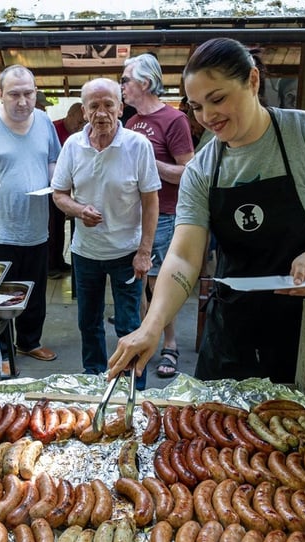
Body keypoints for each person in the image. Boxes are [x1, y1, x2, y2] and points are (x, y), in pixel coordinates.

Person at [108, 38, 305, 384]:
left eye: (218, 99)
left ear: (253, 81)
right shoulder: (202, 169)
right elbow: (184, 257)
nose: (207, 116)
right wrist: (151, 325)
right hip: (238, 323)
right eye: (197, 106)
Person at [51, 78, 160, 389]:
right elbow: (59, 194)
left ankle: (132, 388)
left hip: (127, 253)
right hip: (85, 254)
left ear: (121, 108)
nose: (101, 113)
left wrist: (144, 252)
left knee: (129, 325)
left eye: (108, 105)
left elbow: (150, 201)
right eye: (94, 106)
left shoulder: (138, 146)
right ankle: (94, 380)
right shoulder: (73, 145)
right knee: (88, 322)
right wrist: (78, 210)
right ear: (84, 111)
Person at [0, 65, 61, 362]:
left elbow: (52, 161)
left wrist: (55, 184)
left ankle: (29, 341)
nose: (22, 101)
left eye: (28, 93)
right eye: (14, 95)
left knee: (34, 291)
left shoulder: (45, 122)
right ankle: (0, 351)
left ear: (36, 93)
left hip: (36, 226)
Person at [121, 53, 195, 377]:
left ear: (146, 83)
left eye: (125, 80)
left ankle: (170, 344)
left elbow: (187, 172)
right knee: (139, 283)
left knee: (159, 284)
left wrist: (150, 161)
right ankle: (144, 339)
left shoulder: (173, 120)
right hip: (134, 217)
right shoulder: (131, 122)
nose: (120, 86)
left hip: (164, 214)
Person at [49, 102, 86, 278]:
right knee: (52, 228)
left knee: (60, 226)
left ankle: (59, 261)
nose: (79, 127)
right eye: (77, 122)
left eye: (82, 123)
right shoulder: (54, 128)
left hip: (70, 188)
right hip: (52, 186)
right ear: (69, 116)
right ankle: (51, 264)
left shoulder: (80, 135)